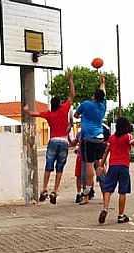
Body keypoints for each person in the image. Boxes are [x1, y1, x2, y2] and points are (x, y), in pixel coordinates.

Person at [23, 70, 75, 204]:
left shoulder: (49, 114)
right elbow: (72, 95)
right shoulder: (64, 109)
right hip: (64, 141)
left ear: (52, 104)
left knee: (48, 166)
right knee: (60, 168)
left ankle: (44, 189)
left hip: (52, 141)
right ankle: (55, 191)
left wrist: (27, 110)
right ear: (60, 103)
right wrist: (70, 80)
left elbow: (35, 114)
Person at [97, 117, 134, 224]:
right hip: (124, 167)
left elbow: (106, 152)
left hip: (112, 166)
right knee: (122, 191)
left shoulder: (111, 138)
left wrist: (101, 165)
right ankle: (120, 215)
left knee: (107, 189)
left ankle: (105, 209)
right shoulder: (128, 137)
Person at [74, 74, 106, 205]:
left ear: (93, 96)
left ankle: (87, 194)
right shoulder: (103, 105)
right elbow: (103, 92)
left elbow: (76, 115)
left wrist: (80, 115)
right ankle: (105, 191)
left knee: (88, 166)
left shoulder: (86, 104)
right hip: (100, 138)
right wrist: (102, 81)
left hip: (88, 139)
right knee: (99, 164)